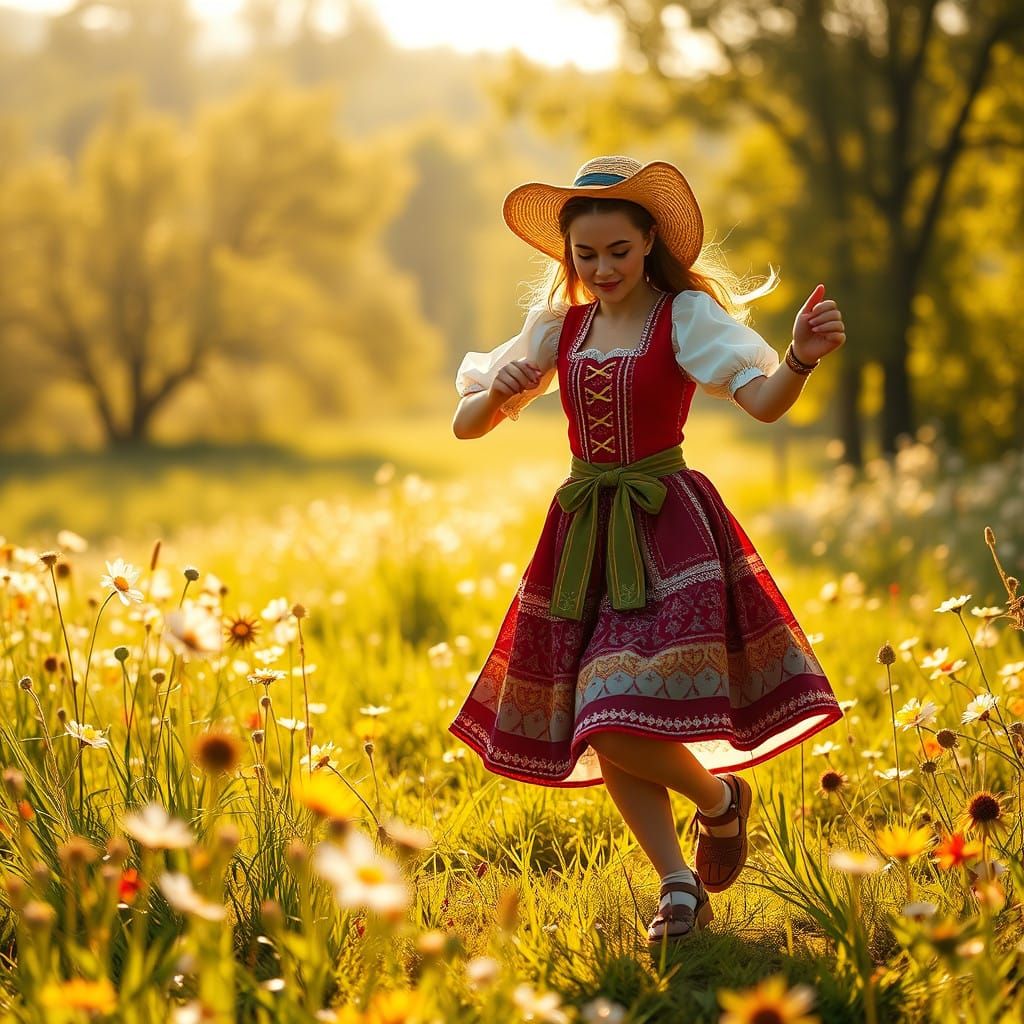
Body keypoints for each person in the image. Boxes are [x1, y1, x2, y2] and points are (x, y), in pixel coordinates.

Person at [448, 155, 845, 954]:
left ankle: (719, 802)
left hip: (668, 528)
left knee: (613, 709)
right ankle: (680, 881)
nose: (601, 270)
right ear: (569, 258)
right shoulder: (558, 328)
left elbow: (764, 403)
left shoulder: (683, 319)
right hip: (583, 535)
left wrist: (798, 358)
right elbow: (466, 424)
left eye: (618, 253)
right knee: (601, 715)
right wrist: (499, 392)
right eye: (585, 257)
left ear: (648, 243)